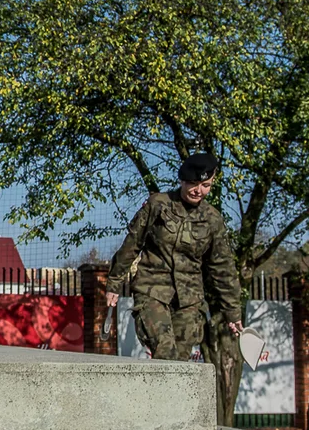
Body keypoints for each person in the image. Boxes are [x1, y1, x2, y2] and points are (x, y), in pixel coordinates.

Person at [105, 153, 244, 361]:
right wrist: (114, 283)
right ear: (182, 180)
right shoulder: (158, 205)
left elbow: (222, 268)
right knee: (165, 350)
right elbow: (132, 245)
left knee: (180, 360)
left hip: (189, 298)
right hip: (152, 289)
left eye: (206, 185)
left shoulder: (213, 219)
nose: (199, 191)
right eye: (193, 184)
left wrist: (232, 311)